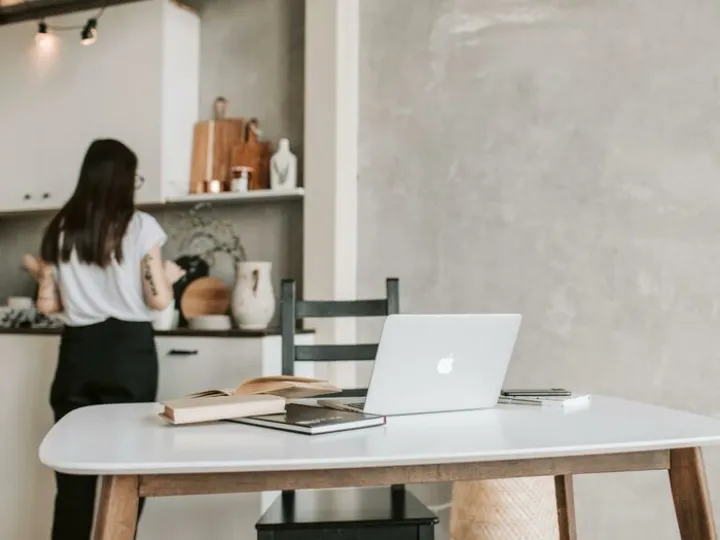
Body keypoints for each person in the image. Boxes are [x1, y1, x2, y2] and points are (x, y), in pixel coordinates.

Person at [29, 138, 185, 540]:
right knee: (129, 471)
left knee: (73, 475)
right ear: (124, 179)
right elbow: (157, 299)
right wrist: (168, 276)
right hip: (128, 353)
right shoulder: (140, 227)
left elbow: (55, 301)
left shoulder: (62, 229)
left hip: (78, 352)